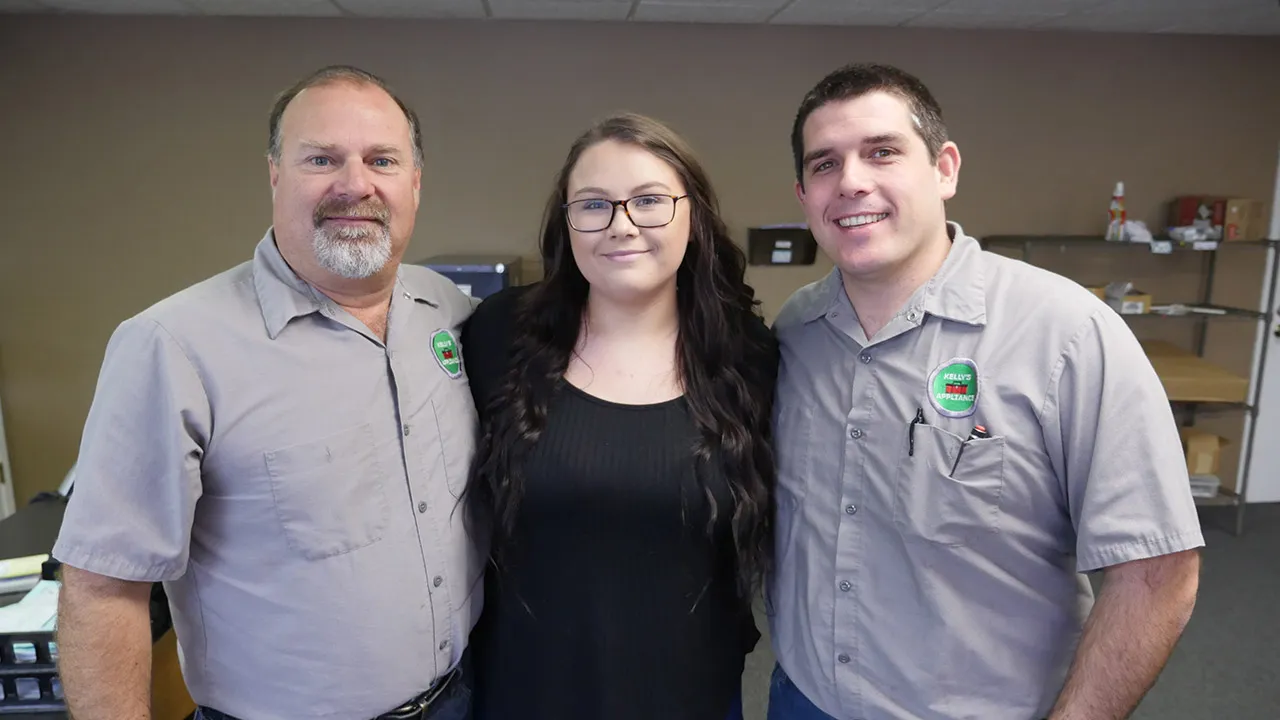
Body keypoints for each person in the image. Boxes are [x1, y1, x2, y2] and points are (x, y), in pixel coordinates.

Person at [768, 63, 1203, 720]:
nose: (852, 180)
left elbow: (1157, 571)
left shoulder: (1065, 334)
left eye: (882, 152)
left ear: (944, 169)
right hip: (805, 697)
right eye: (825, 164)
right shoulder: (797, 329)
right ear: (804, 197)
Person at [51, 65, 480, 720]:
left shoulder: (444, 308)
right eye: (322, 158)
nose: (355, 184)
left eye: (382, 160)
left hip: (464, 697)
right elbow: (103, 588)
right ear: (275, 174)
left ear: (414, 183)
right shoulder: (173, 347)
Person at [460, 113, 778, 720]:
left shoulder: (750, 358)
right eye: (593, 204)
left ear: (693, 217)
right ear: (567, 222)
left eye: (649, 201)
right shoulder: (499, 336)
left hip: (690, 696)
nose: (621, 225)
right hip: (525, 693)